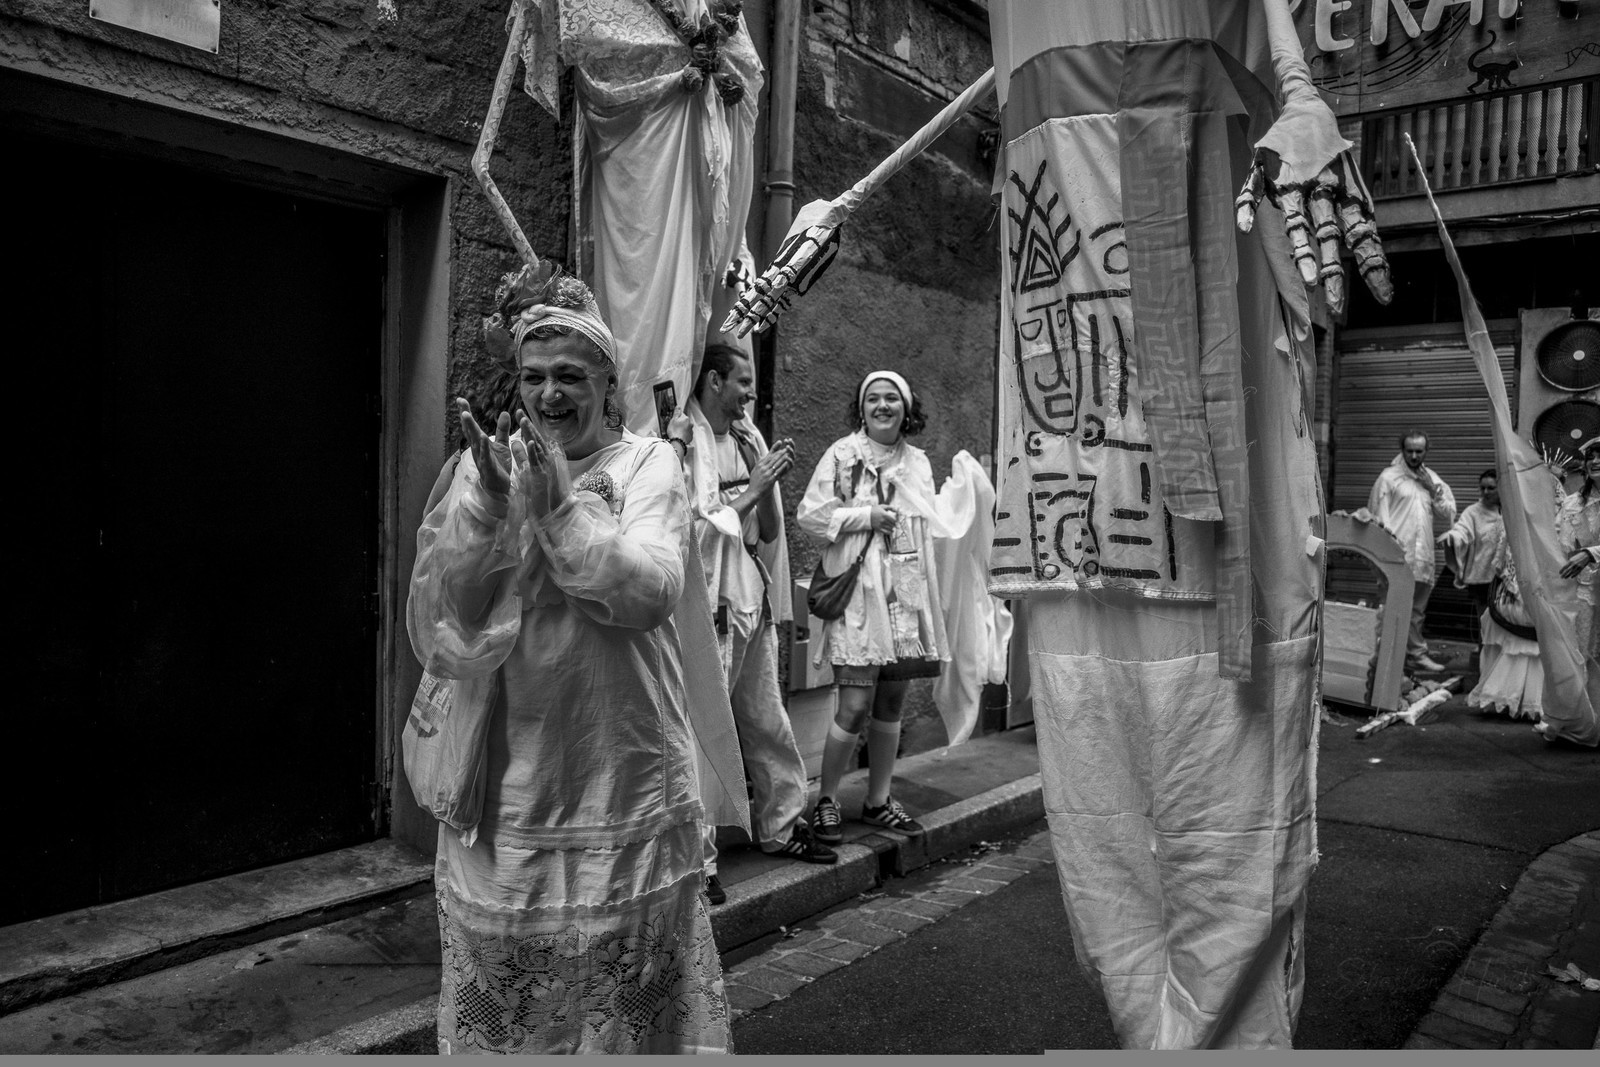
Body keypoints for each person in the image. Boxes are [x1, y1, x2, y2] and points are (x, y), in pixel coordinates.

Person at [406, 266, 733, 1054]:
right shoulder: (489, 465)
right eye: (533, 377)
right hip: (512, 780)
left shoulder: (651, 464)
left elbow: (648, 590)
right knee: (518, 1001)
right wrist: (485, 508)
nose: (549, 394)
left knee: (619, 1005)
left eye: (569, 376)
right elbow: (450, 612)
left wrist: (555, 506)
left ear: (608, 383)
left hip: (618, 774)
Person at [668, 343, 837, 905]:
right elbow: (687, 530)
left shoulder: (749, 441)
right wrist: (756, 485)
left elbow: (767, 531)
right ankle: (700, 862)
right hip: (708, 610)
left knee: (767, 722)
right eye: (744, 385)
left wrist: (766, 481)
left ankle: (783, 826)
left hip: (750, 604)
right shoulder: (682, 442)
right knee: (706, 734)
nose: (750, 398)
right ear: (714, 381)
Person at [797, 371, 949, 843]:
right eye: (873, 399)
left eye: (892, 399)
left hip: (904, 599)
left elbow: (931, 527)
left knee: (890, 702)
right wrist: (868, 515)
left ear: (907, 409)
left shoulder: (918, 462)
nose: (882, 406)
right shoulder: (843, 454)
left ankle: (878, 800)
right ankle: (826, 800)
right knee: (854, 705)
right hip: (859, 599)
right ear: (861, 409)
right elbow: (810, 515)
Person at [1369, 430, 1458, 672]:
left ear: (1426, 451)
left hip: (1424, 556)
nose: (1414, 456)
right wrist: (1385, 552)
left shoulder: (1431, 478)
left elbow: (1448, 512)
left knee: (1417, 611)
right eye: (1410, 451)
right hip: (1397, 556)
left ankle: (1415, 655)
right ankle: (1385, 658)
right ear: (1402, 449)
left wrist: (1432, 489)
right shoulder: (1389, 478)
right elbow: (1379, 517)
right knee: (1391, 607)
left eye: (1419, 451)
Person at [1438, 468, 1505, 651]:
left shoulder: (1510, 510)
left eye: (1490, 488)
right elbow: (1462, 530)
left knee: (1506, 622)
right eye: (1482, 488)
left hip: (1506, 579)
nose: (1485, 492)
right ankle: (1484, 659)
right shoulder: (1473, 512)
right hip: (1482, 578)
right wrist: (1452, 537)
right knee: (1484, 622)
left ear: (1501, 488)